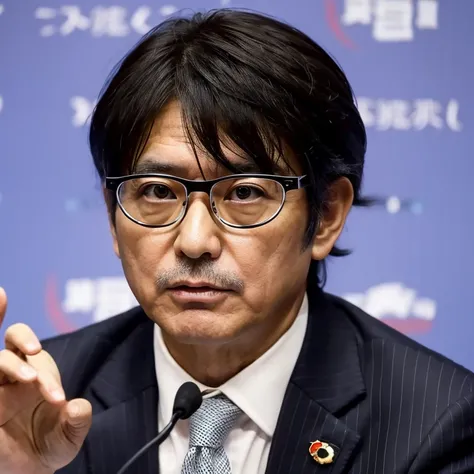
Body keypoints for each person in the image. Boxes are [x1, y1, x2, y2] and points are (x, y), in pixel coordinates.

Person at [1, 8, 473, 474]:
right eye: (159, 192)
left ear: (327, 215)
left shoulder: (435, 423)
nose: (194, 240)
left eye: (245, 193)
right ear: (112, 214)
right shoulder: (38, 404)